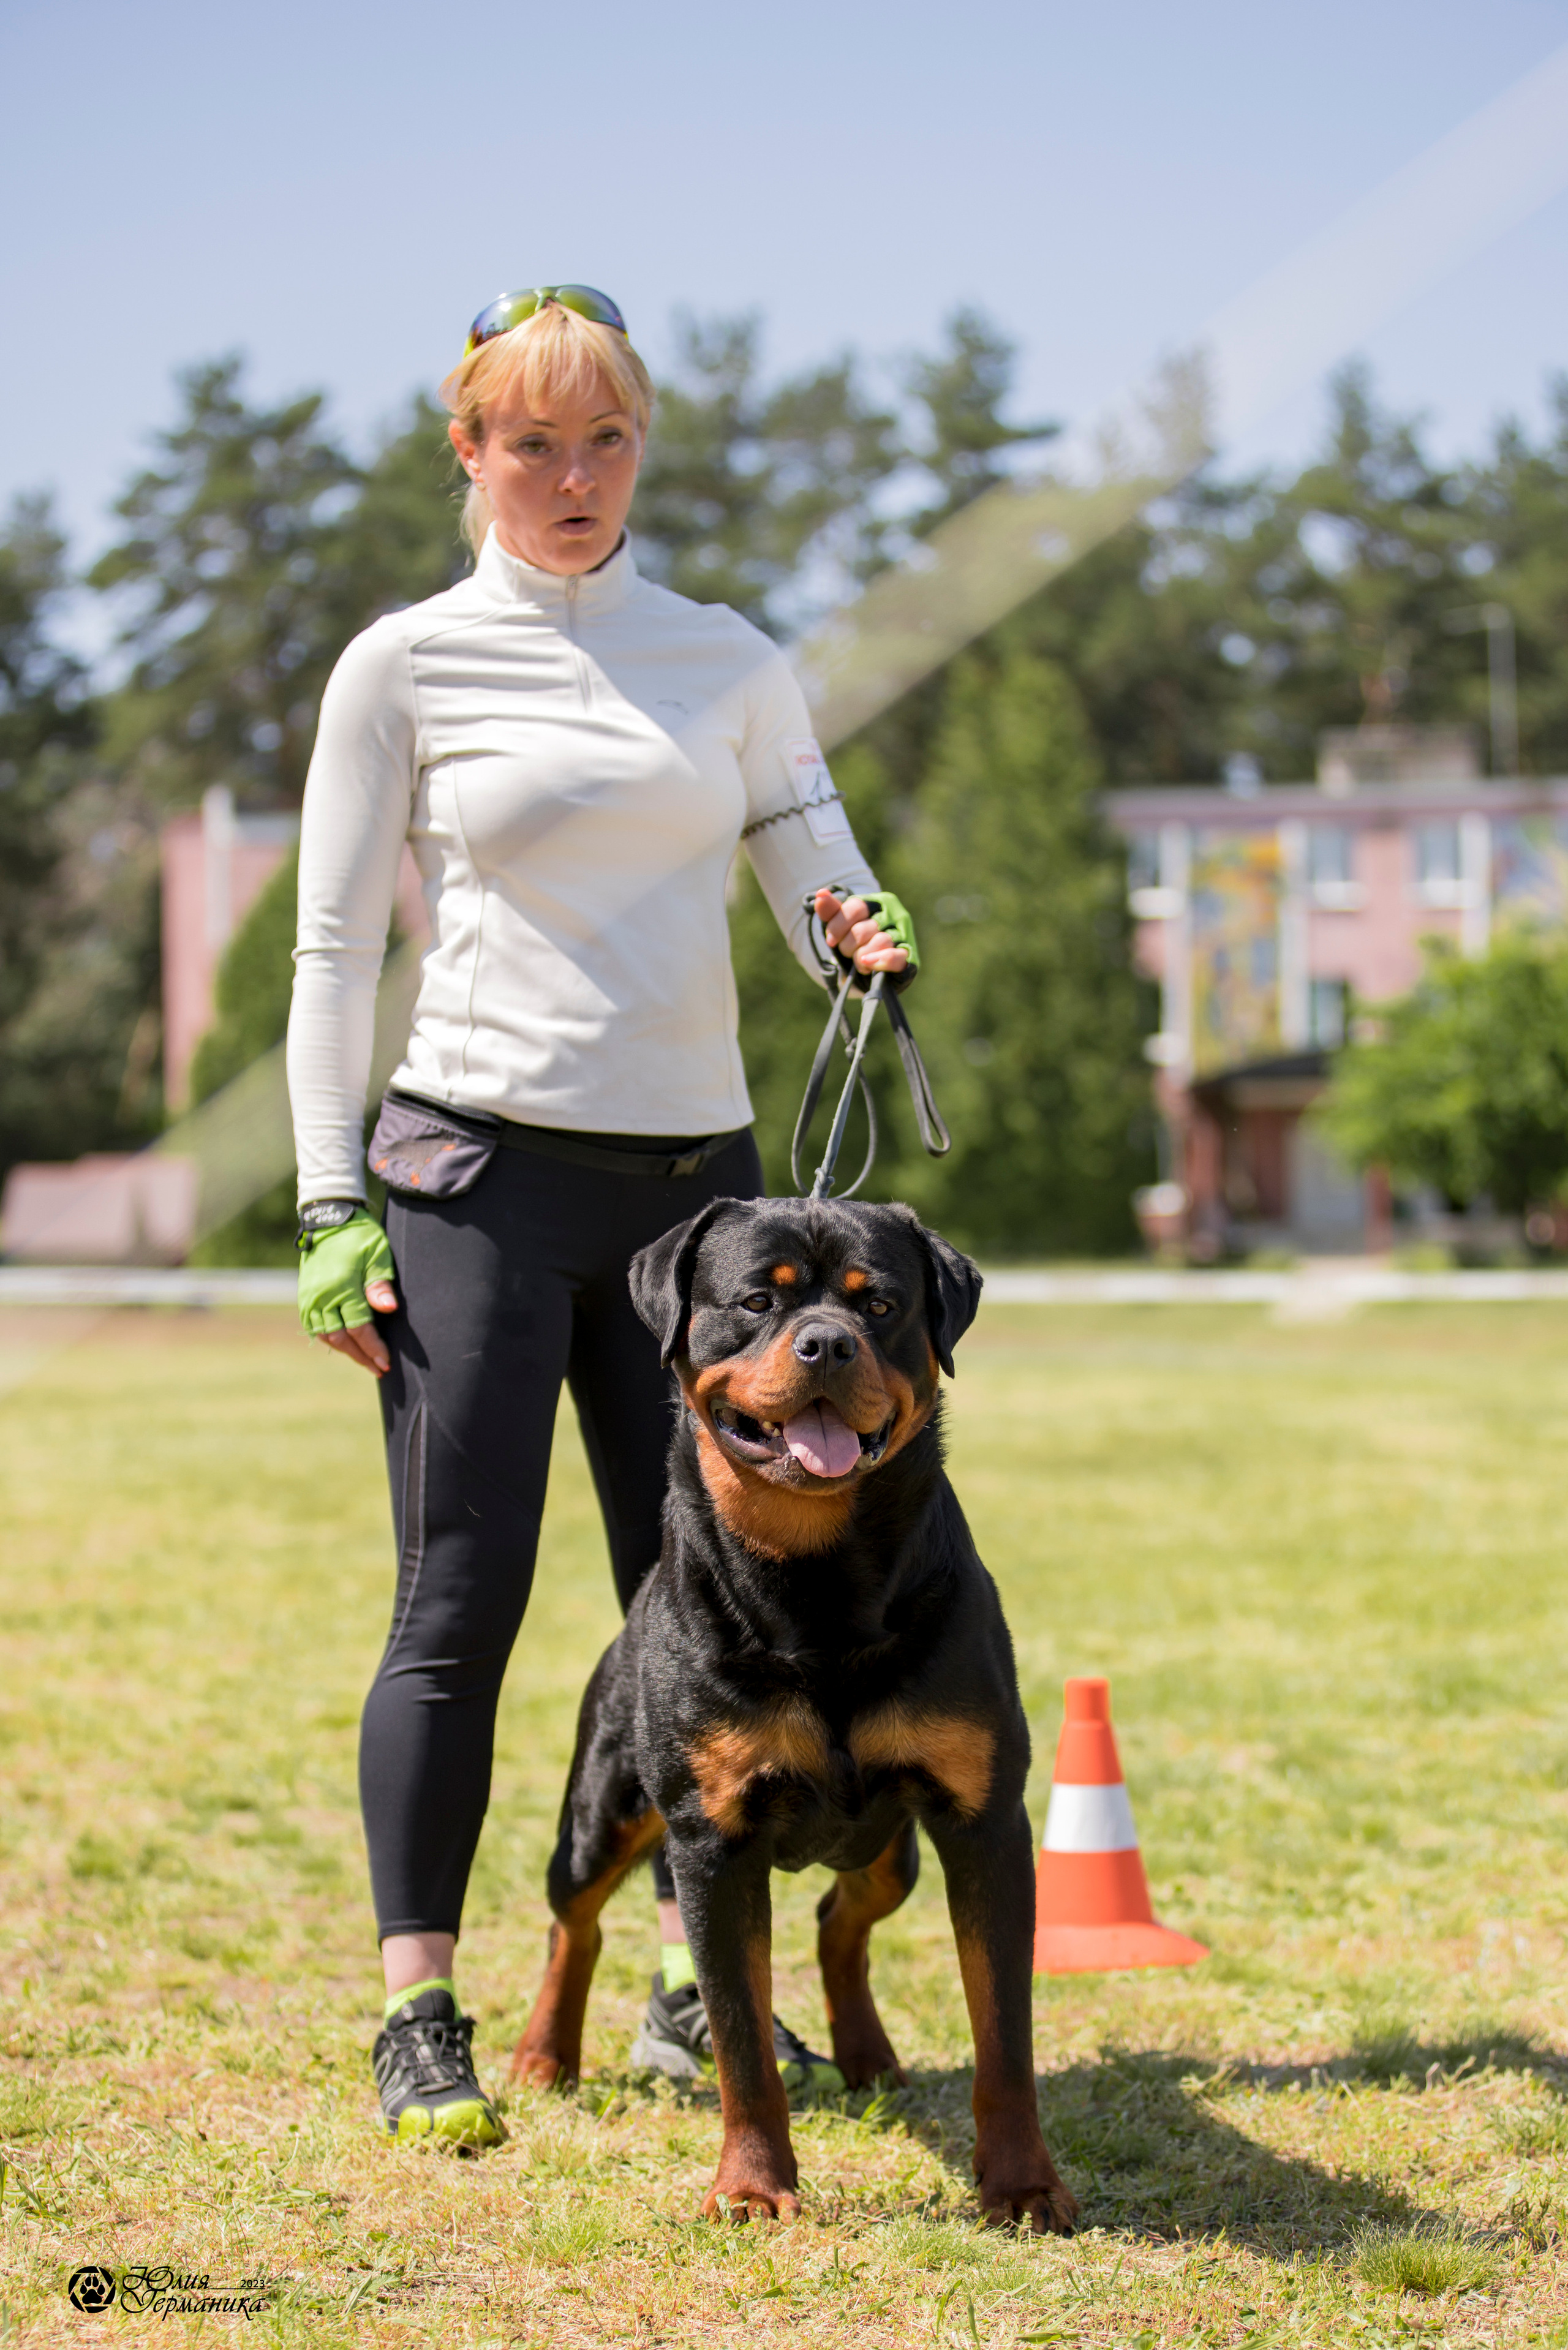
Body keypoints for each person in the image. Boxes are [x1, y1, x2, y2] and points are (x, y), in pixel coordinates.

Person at [287, 285, 918, 2147]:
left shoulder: (730, 660)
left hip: (703, 1213)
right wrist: (328, 1203)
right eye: (534, 444)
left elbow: (813, 858)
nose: (573, 478)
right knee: (457, 1603)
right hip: (474, 1186)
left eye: (607, 441)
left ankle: (683, 1987)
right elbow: (331, 955)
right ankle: (420, 2009)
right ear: (470, 453)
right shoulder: (402, 665)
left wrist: (856, 929)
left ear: (644, 448)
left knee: (713, 1615)